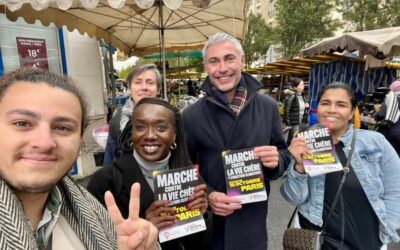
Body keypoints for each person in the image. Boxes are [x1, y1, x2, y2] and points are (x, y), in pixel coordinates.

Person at [0, 68, 158, 249]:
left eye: (62, 128)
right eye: (22, 123)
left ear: (80, 140)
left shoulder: (96, 215)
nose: (44, 142)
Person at [182, 32, 291, 250]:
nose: (222, 68)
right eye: (214, 61)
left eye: (229, 58)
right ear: (206, 66)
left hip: (251, 227)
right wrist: (208, 194)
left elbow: (283, 152)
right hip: (210, 230)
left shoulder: (268, 107)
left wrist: (276, 160)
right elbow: (183, 166)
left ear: (242, 60)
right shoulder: (191, 115)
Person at [281, 82, 400, 249]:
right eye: (325, 103)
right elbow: (293, 197)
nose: (331, 110)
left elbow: (396, 189)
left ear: (352, 112)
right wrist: (299, 167)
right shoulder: (306, 142)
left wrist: (385, 232)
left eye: (341, 105)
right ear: (318, 108)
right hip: (316, 239)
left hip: (366, 240)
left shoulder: (375, 142)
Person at [88, 97, 211, 250]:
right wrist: (145, 229)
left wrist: (202, 216)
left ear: (174, 135)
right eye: (140, 127)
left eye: (160, 128)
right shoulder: (105, 181)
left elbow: (198, 244)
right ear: (131, 132)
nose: (150, 135)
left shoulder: (190, 176)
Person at [103, 64, 161, 166]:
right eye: (138, 82)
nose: (144, 88)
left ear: (158, 89)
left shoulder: (172, 118)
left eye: (150, 83)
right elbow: (109, 160)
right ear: (129, 87)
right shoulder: (118, 119)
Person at [375, 79, 400, 156]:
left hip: (393, 131)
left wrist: (377, 110)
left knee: (391, 155)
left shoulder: (390, 97)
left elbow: (380, 115)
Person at [284, 77, 309, 144]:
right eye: (301, 85)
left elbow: (301, 107)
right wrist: (288, 123)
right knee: (295, 139)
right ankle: (291, 152)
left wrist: (306, 105)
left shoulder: (302, 95)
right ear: (295, 87)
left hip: (300, 121)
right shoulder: (292, 96)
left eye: (303, 85)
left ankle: (288, 151)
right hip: (294, 122)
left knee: (292, 138)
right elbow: (287, 109)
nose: (303, 86)